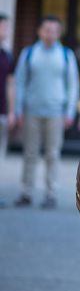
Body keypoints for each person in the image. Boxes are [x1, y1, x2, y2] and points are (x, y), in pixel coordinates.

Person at [13, 15, 80, 209]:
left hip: (56, 112)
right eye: (46, 30)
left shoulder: (66, 55)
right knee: (30, 153)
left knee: (52, 153)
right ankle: (26, 192)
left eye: (53, 30)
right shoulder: (29, 53)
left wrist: (69, 112)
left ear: (58, 33)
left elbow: (72, 86)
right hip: (31, 111)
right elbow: (20, 83)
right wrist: (18, 109)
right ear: (39, 31)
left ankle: (51, 193)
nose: (50, 34)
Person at [0, 14, 15, 208]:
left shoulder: (7, 55)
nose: (5, 30)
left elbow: (11, 85)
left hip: (2, 111)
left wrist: (12, 111)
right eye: (2, 26)